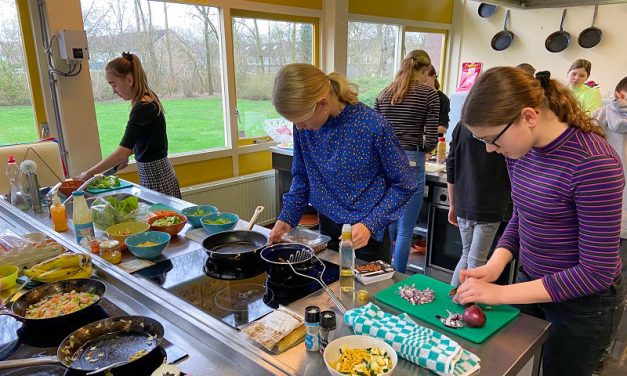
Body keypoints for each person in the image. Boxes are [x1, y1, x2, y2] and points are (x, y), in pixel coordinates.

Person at [455, 67, 624, 376]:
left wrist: (501, 294)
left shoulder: (594, 164)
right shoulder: (520, 151)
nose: (490, 149)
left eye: (492, 139)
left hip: (582, 307)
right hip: (531, 283)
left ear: (529, 116)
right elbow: (523, 213)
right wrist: (496, 265)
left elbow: (595, 272)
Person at [268, 63, 418, 263]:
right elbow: (302, 177)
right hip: (327, 230)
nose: (298, 127)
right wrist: (287, 217)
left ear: (323, 104)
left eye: (301, 120)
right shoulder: (303, 129)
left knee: (364, 293)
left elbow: (404, 185)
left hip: (366, 235)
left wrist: (370, 224)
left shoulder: (372, 126)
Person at [77, 52, 181, 198]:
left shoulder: (143, 107)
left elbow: (122, 151)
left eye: (114, 84)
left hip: (158, 180)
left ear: (129, 79)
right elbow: (145, 140)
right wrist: (130, 152)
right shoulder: (147, 99)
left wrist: (88, 174)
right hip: (155, 175)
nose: (113, 91)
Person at [373, 50, 439, 272]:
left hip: (385, 161)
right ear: (426, 70)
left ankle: (382, 271)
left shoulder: (383, 93)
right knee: (405, 230)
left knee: (389, 220)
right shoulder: (429, 95)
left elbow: (375, 134)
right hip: (411, 160)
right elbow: (431, 138)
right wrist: (426, 149)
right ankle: (398, 278)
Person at [447, 121, 511, 288]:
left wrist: (453, 205)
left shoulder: (462, 124)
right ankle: (463, 307)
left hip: (463, 202)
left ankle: (453, 303)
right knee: (476, 261)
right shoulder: (501, 125)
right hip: (490, 205)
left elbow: (451, 165)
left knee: (467, 255)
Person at [592, 76, 627, 373]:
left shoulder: (597, 118)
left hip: (600, 216)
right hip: (620, 221)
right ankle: (607, 353)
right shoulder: (597, 118)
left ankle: (595, 353)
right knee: (617, 292)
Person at [423, 64, 450, 135]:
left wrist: (423, 130)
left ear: (434, 77)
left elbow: (443, 128)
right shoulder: (419, 97)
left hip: (434, 140)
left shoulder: (443, 99)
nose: (422, 84)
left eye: (425, 81)